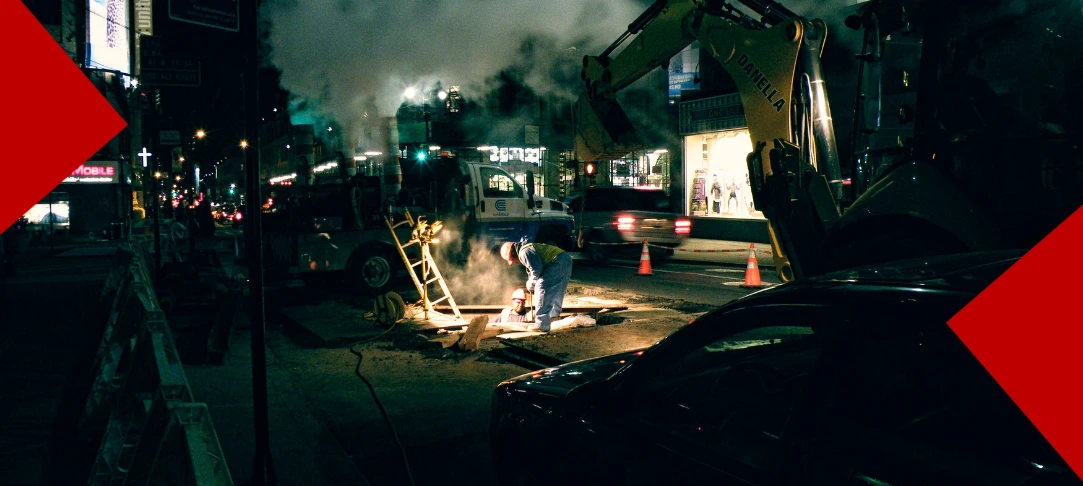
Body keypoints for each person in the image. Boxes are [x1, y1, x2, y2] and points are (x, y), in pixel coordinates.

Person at [500, 240, 573, 332]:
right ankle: (554, 317)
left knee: (541, 287)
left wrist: (531, 283)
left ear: (512, 254)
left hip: (556, 262)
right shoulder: (527, 248)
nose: (514, 263)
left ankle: (541, 324)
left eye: (512, 260)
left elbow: (536, 270)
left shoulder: (524, 252)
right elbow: (535, 266)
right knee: (557, 289)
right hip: (565, 259)